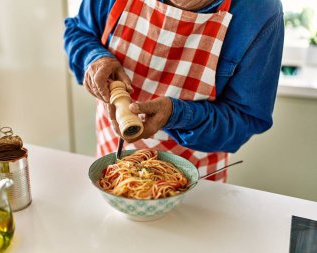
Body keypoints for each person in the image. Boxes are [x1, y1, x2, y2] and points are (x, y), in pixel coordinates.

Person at [64, 0, 284, 181]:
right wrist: (93, 59)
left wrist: (178, 114)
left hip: (196, 186)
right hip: (113, 169)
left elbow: (245, 118)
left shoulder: (259, 12)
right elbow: (79, 31)